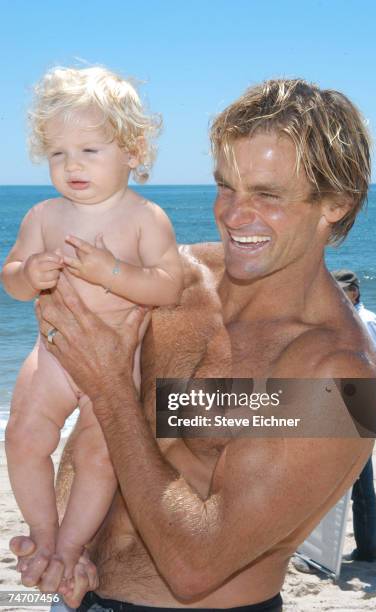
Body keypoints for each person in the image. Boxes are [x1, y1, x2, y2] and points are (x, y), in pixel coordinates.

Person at [9, 79, 376, 612]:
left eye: (267, 195)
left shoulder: (338, 379)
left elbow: (197, 567)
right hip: (78, 593)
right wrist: (62, 543)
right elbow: (95, 421)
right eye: (226, 186)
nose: (233, 214)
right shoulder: (175, 281)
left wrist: (111, 387)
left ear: (334, 206)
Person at [2, 66, 183, 586]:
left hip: (115, 364)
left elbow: (169, 285)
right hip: (53, 355)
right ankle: (44, 533)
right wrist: (27, 275)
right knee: (22, 436)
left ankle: (71, 546)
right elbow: (10, 278)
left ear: (132, 152)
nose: (71, 165)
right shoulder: (43, 216)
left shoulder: (146, 218)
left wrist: (114, 273)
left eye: (89, 151)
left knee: (98, 457)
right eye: (58, 153)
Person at [333, 269, 376, 562]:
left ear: (354, 292)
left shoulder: (365, 322)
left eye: (340, 291)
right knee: (355, 478)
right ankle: (364, 550)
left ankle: (367, 552)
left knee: (360, 479)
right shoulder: (351, 321)